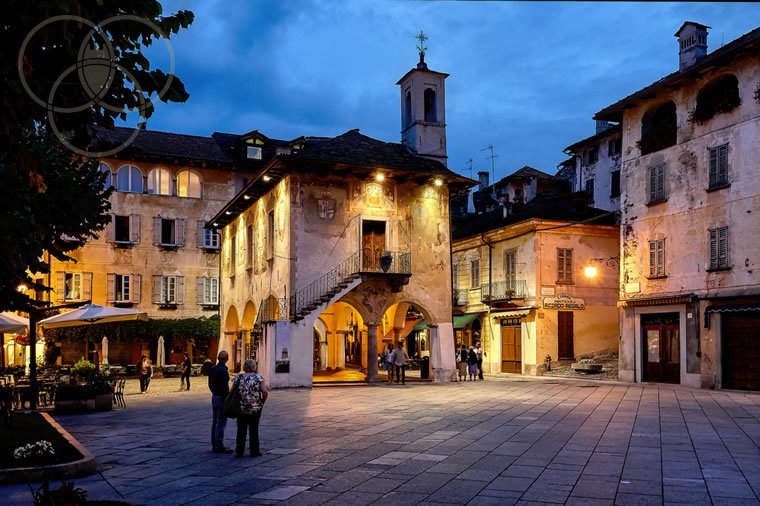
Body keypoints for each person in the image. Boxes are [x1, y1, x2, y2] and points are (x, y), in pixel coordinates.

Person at [232, 359, 269, 458]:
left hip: (241, 407)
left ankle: (239, 451)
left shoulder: (238, 378)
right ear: (254, 367)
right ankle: (254, 451)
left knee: (241, 429)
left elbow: (233, 392)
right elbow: (265, 391)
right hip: (255, 407)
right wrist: (262, 402)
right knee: (254, 429)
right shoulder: (258, 378)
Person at [208, 350, 233, 453]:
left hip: (214, 397)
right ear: (227, 358)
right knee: (221, 422)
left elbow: (209, 384)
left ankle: (215, 444)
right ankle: (219, 444)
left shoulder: (213, 369)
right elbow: (225, 388)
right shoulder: (223, 371)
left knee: (215, 422)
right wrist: (228, 398)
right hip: (222, 398)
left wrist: (214, 392)